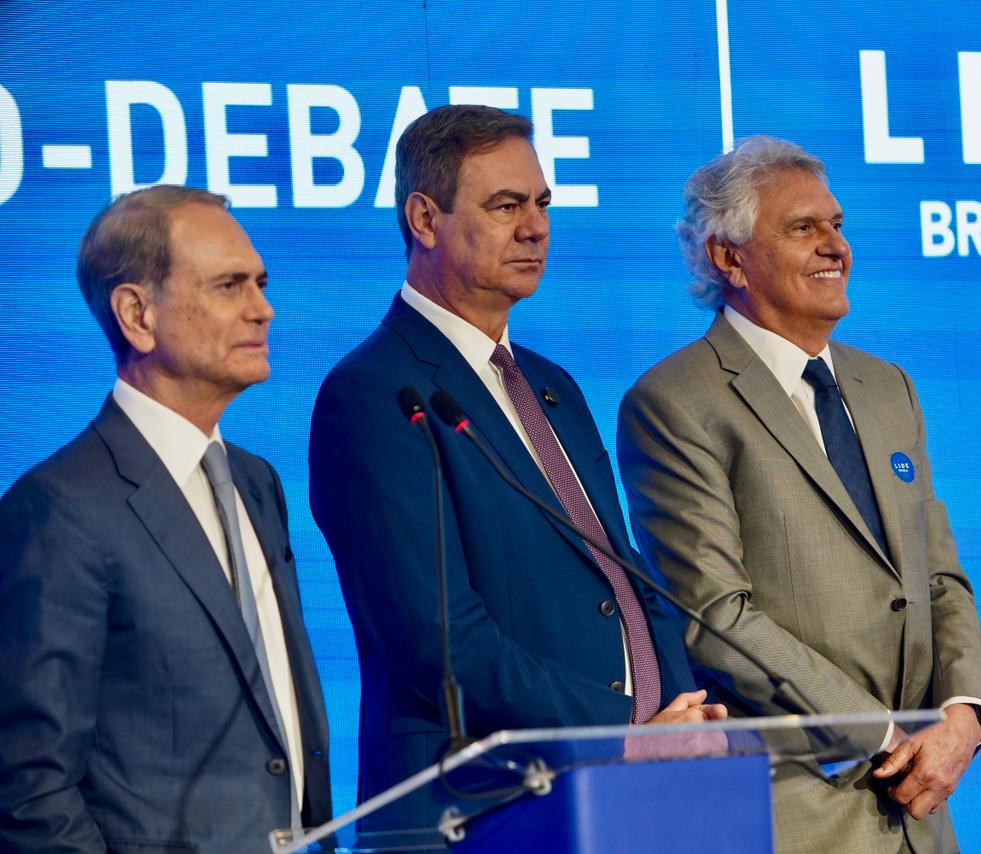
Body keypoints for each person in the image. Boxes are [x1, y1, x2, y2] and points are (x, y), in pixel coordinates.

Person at [309, 104, 723, 828]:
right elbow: (439, 639)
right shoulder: (374, 393)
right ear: (424, 219)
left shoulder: (551, 383)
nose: (535, 227)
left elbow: (624, 571)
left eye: (542, 204)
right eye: (506, 206)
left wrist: (680, 716)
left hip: (623, 795)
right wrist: (626, 729)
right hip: (481, 808)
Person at [616, 136, 981, 854]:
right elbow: (715, 614)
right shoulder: (676, 401)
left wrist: (963, 714)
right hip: (795, 812)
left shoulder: (889, 388)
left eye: (838, 225)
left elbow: (938, 576)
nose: (835, 246)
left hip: (924, 809)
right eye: (803, 228)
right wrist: (884, 734)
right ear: (728, 258)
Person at [0, 186, 331, 853]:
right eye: (229, 286)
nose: (262, 309)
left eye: (261, 283)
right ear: (137, 314)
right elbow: (31, 784)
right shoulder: (61, 506)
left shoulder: (256, 481)